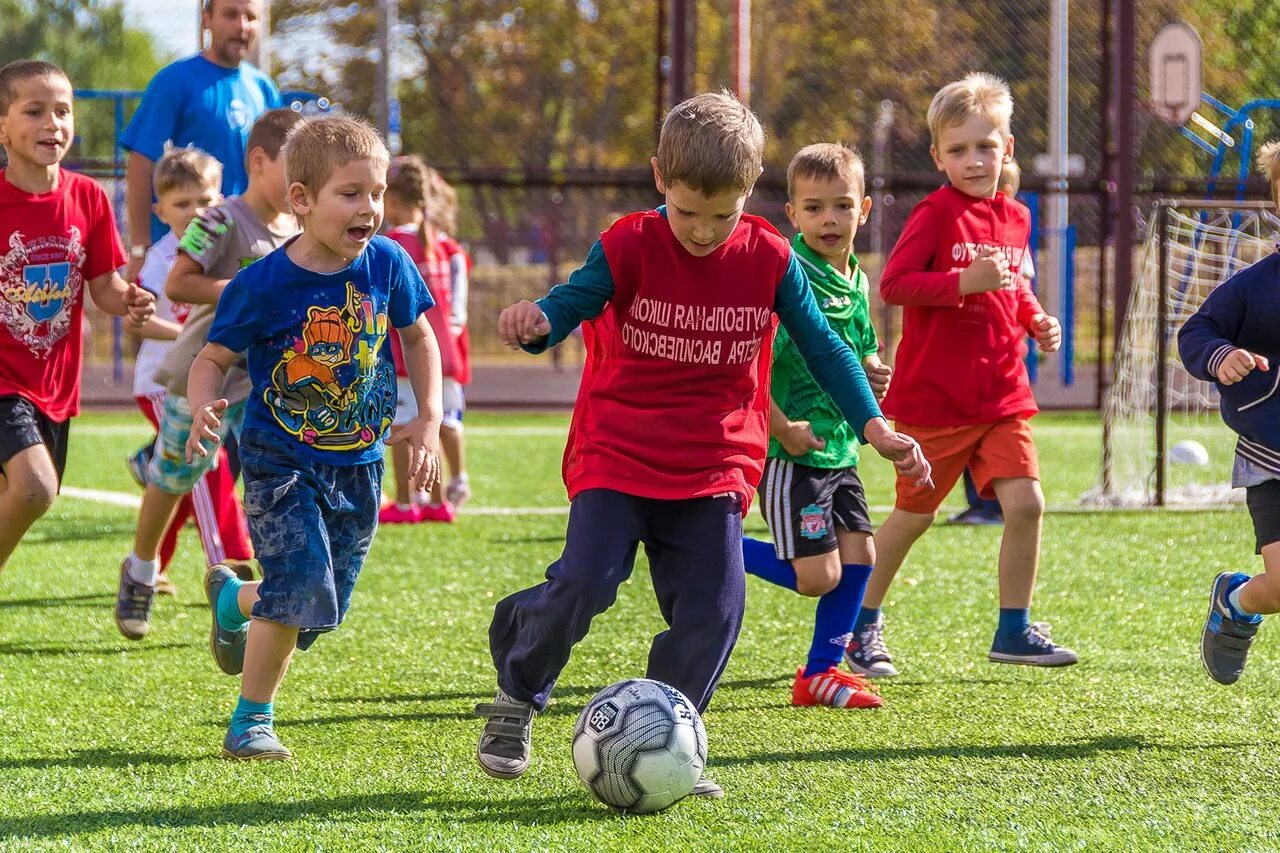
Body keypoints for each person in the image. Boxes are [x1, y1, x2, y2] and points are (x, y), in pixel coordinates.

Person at [474, 91, 932, 796]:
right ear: (661, 177)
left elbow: (827, 347)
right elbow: (577, 296)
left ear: (751, 195)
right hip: (617, 451)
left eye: (724, 214)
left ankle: (668, 736)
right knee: (588, 582)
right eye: (688, 211)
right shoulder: (628, 241)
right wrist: (540, 318)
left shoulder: (771, 258)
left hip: (714, 463)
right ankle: (519, 686)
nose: (703, 230)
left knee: (717, 611)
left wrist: (875, 425)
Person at [185, 115, 441, 760]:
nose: (370, 209)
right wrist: (200, 408)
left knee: (319, 609)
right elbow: (211, 358)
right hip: (281, 461)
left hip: (360, 464)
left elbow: (418, 336)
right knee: (301, 587)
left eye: (377, 193)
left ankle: (233, 600)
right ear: (301, 200)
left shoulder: (386, 263)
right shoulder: (263, 284)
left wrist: (430, 417)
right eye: (350, 194)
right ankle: (251, 719)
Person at [846, 73, 1077, 679]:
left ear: (1007, 147)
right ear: (938, 156)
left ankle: (1013, 629)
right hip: (937, 403)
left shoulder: (1018, 217)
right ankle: (860, 625)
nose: (974, 160)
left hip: (1003, 393)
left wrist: (1036, 321)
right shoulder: (936, 214)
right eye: (958, 150)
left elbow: (1016, 283)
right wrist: (959, 285)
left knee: (1026, 503)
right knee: (914, 517)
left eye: (985, 146)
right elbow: (895, 284)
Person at [114, 108, 302, 640]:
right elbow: (179, 283)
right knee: (174, 476)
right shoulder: (219, 218)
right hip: (206, 376)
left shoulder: (300, 225)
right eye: (295, 165)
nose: (303, 180)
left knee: (277, 479)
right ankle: (142, 568)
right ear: (260, 162)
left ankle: (273, 591)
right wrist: (249, 291)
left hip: (269, 383)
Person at [740, 143, 888, 710]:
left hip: (841, 450)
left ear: (865, 210)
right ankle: (712, 544)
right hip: (793, 455)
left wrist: (874, 371)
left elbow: (862, 347)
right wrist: (780, 429)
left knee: (861, 557)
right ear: (793, 215)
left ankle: (820, 673)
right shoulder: (789, 277)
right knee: (815, 577)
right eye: (816, 207)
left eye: (843, 206)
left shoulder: (856, 278)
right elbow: (752, 367)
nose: (830, 219)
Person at [0, 60, 154, 570]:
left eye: (63, 111)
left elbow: (104, 289)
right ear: (3, 125)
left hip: (54, 389)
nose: (52, 123)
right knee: (33, 488)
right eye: (34, 111)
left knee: (34, 491)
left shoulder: (86, 197)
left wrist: (130, 298)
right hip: (4, 384)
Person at [126, 147, 256, 596]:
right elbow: (137, 320)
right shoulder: (162, 259)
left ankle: (151, 561)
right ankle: (232, 565)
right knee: (207, 466)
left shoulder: (226, 249)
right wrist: (183, 331)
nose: (195, 212)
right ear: (161, 210)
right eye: (182, 204)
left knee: (184, 472)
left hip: (219, 377)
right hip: (164, 381)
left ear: (222, 198)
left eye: (204, 201)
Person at [1182, 139, 1280, 686]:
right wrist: (1222, 358)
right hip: (1273, 453)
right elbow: (1197, 332)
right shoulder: (1255, 285)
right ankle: (1236, 600)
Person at [120, 0, 281, 283]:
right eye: (230, 15)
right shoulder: (174, 81)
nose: (241, 26)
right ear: (206, 19)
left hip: (243, 254)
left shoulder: (263, 88)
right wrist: (139, 249)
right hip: (180, 255)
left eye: (250, 17)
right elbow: (140, 161)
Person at [379, 155, 463, 523]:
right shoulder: (442, 244)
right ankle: (436, 502)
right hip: (443, 354)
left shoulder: (392, 244)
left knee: (401, 426)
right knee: (436, 422)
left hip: (405, 353)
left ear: (392, 201)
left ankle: (403, 503)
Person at [948, 159, 1030, 527]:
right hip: (964, 363)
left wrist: (1037, 320)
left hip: (1002, 362)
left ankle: (988, 505)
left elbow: (1020, 290)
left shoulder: (1014, 239)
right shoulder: (955, 228)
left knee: (993, 439)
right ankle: (979, 503)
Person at [430, 171, 473, 510]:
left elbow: (457, 309)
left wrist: (442, 342)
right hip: (417, 351)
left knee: (447, 418)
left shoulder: (450, 251)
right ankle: (429, 490)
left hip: (444, 352)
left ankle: (458, 480)